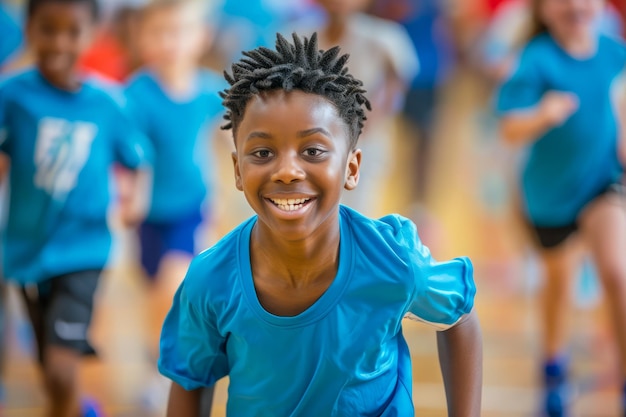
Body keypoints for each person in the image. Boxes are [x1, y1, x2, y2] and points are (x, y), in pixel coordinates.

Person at [158, 32, 482, 416]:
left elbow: (460, 318)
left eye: (313, 151)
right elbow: (191, 382)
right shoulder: (211, 279)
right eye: (262, 152)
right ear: (237, 171)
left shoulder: (393, 260)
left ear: (351, 167)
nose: (288, 170)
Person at [0, 0, 151, 415]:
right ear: (29, 28)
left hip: (84, 249)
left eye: (73, 31)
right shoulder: (11, 95)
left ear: (92, 33)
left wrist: (135, 198)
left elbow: (138, 158)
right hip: (26, 251)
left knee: (62, 369)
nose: (60, 42)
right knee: (49, 370)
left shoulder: (109, 102)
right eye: (48, 29)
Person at [494, 0, 626, 415]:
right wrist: (543, 114)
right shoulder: (537, 59)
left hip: (602, 181)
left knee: (616, 271)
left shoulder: (612, 49)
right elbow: (510, 127)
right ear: (542, 10)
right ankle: (553, 367)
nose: (573, 4)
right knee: (559, 286)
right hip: (548, 194)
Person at [123, 0, 224, 413]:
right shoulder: (135, 93)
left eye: (180, 31)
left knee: (174, 284)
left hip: (191, 207)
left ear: (201, 37)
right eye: (160, 32)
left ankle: (179, 371)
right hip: (148, 215)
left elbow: (226, 141)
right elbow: (130, 154)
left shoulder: (207, 90)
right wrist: (131, 193)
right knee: (154, 296)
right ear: (143, 36)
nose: (170, 42)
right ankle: (154, 365)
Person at [284, 0, 418, 216]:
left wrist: (373, 116)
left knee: (356, 211)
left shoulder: (383, 37)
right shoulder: (300, 36)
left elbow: (399, 78)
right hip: (312, 143)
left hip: (364, 143)